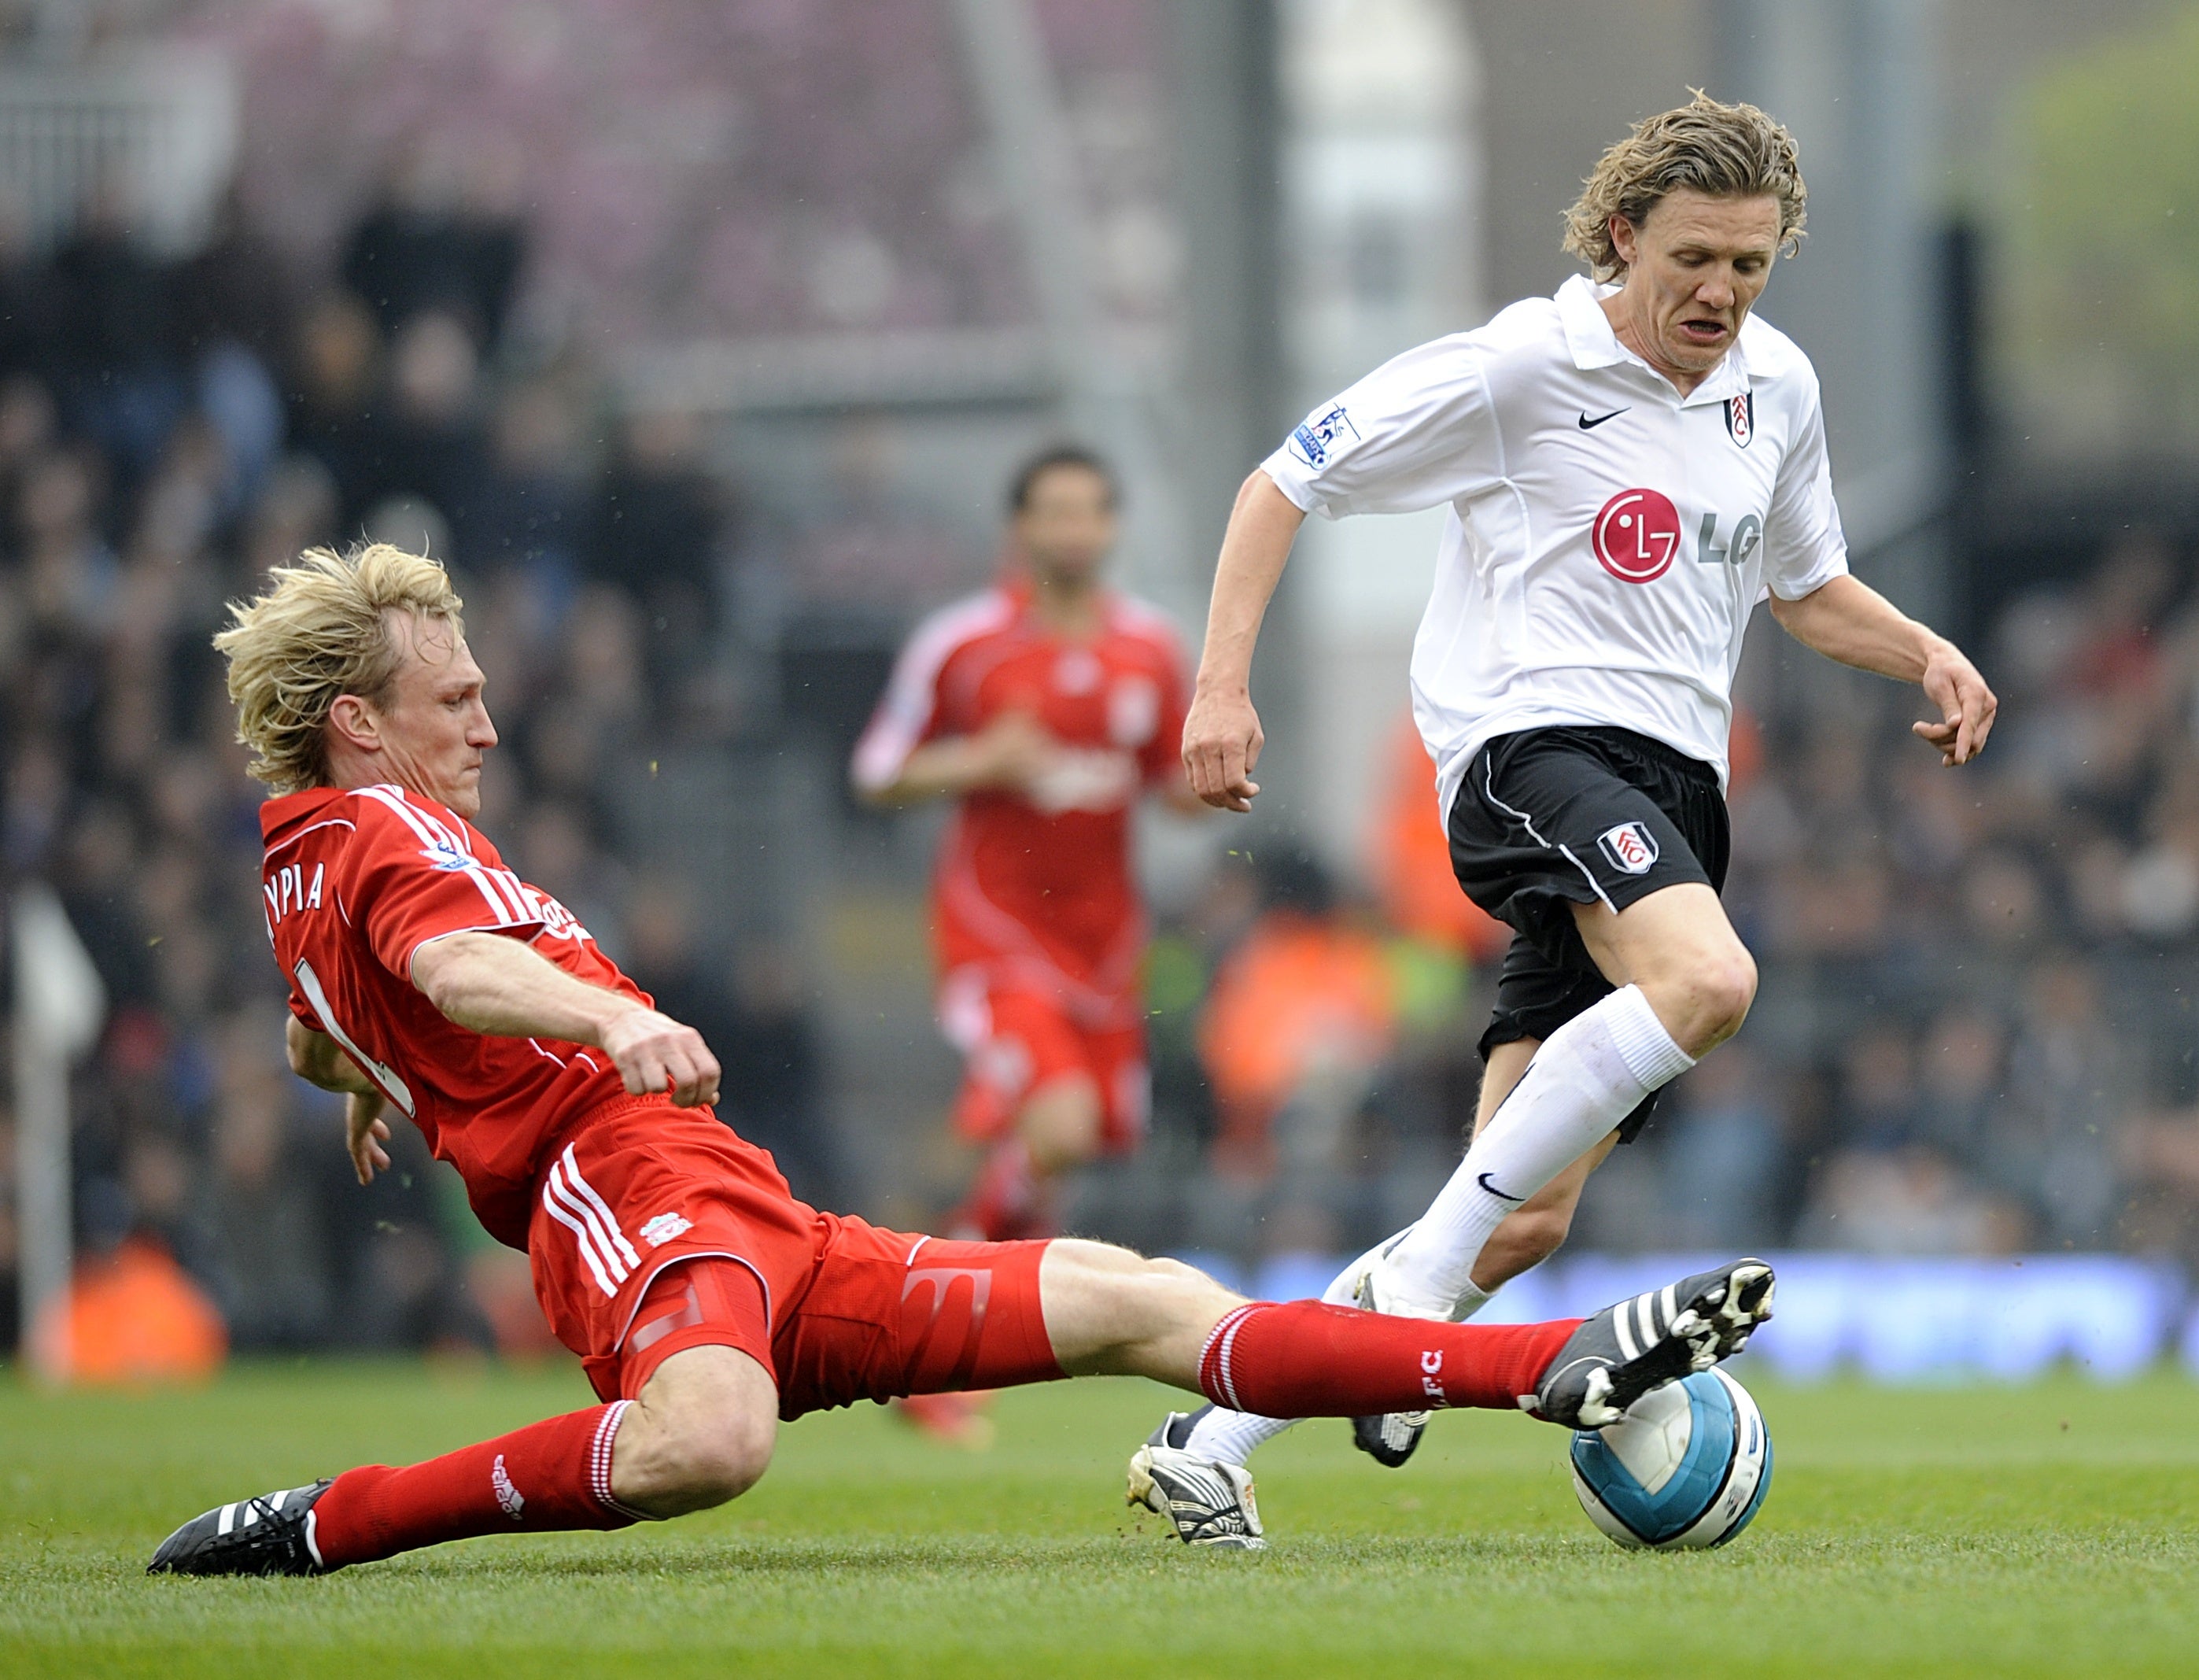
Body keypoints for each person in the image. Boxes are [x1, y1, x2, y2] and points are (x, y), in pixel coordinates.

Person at [146, 542, 1778, 1573]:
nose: (487, 726)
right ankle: (332, 1517)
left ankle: (1540, 1362)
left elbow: (337, 1006)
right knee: (703, 1441)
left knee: (1155, 1299)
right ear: (360, 721)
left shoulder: (306, 858)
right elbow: (447, 960)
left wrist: (365, 1078)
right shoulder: (380, 822)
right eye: (455, 697)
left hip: (750, 1217)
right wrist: (605, 1015)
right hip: (623, 1185)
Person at [1135, 93, 1997, 1542]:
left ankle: (1209, 1444)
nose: (1721, 292)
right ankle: (1412, 1295)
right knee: (1712, 981)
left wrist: (1925, 649)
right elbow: (1284, 479)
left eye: (1750, 264)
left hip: (1677, 789)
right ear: (1621, 238)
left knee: (1519, 1217)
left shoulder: (1775, 388)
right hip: (1530, 750)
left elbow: (1801, 587)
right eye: (1695, 259)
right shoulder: (1522, 367)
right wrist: (1220, 689)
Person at [851, 449, 1194, 1247]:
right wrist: (978, 761)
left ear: (1112, 526)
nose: (1073, 530)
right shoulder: (962, 642)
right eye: (1055, 511)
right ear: (1020, 527)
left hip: (1106, 940)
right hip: (998, 926)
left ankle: (967, 1264)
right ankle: (964, 1269)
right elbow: (874, 769)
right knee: (1063, 1125)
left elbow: (1172, 785)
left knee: (1072, 1148)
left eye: (1089, 512)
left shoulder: (1149, 648)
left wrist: (1209, 788)